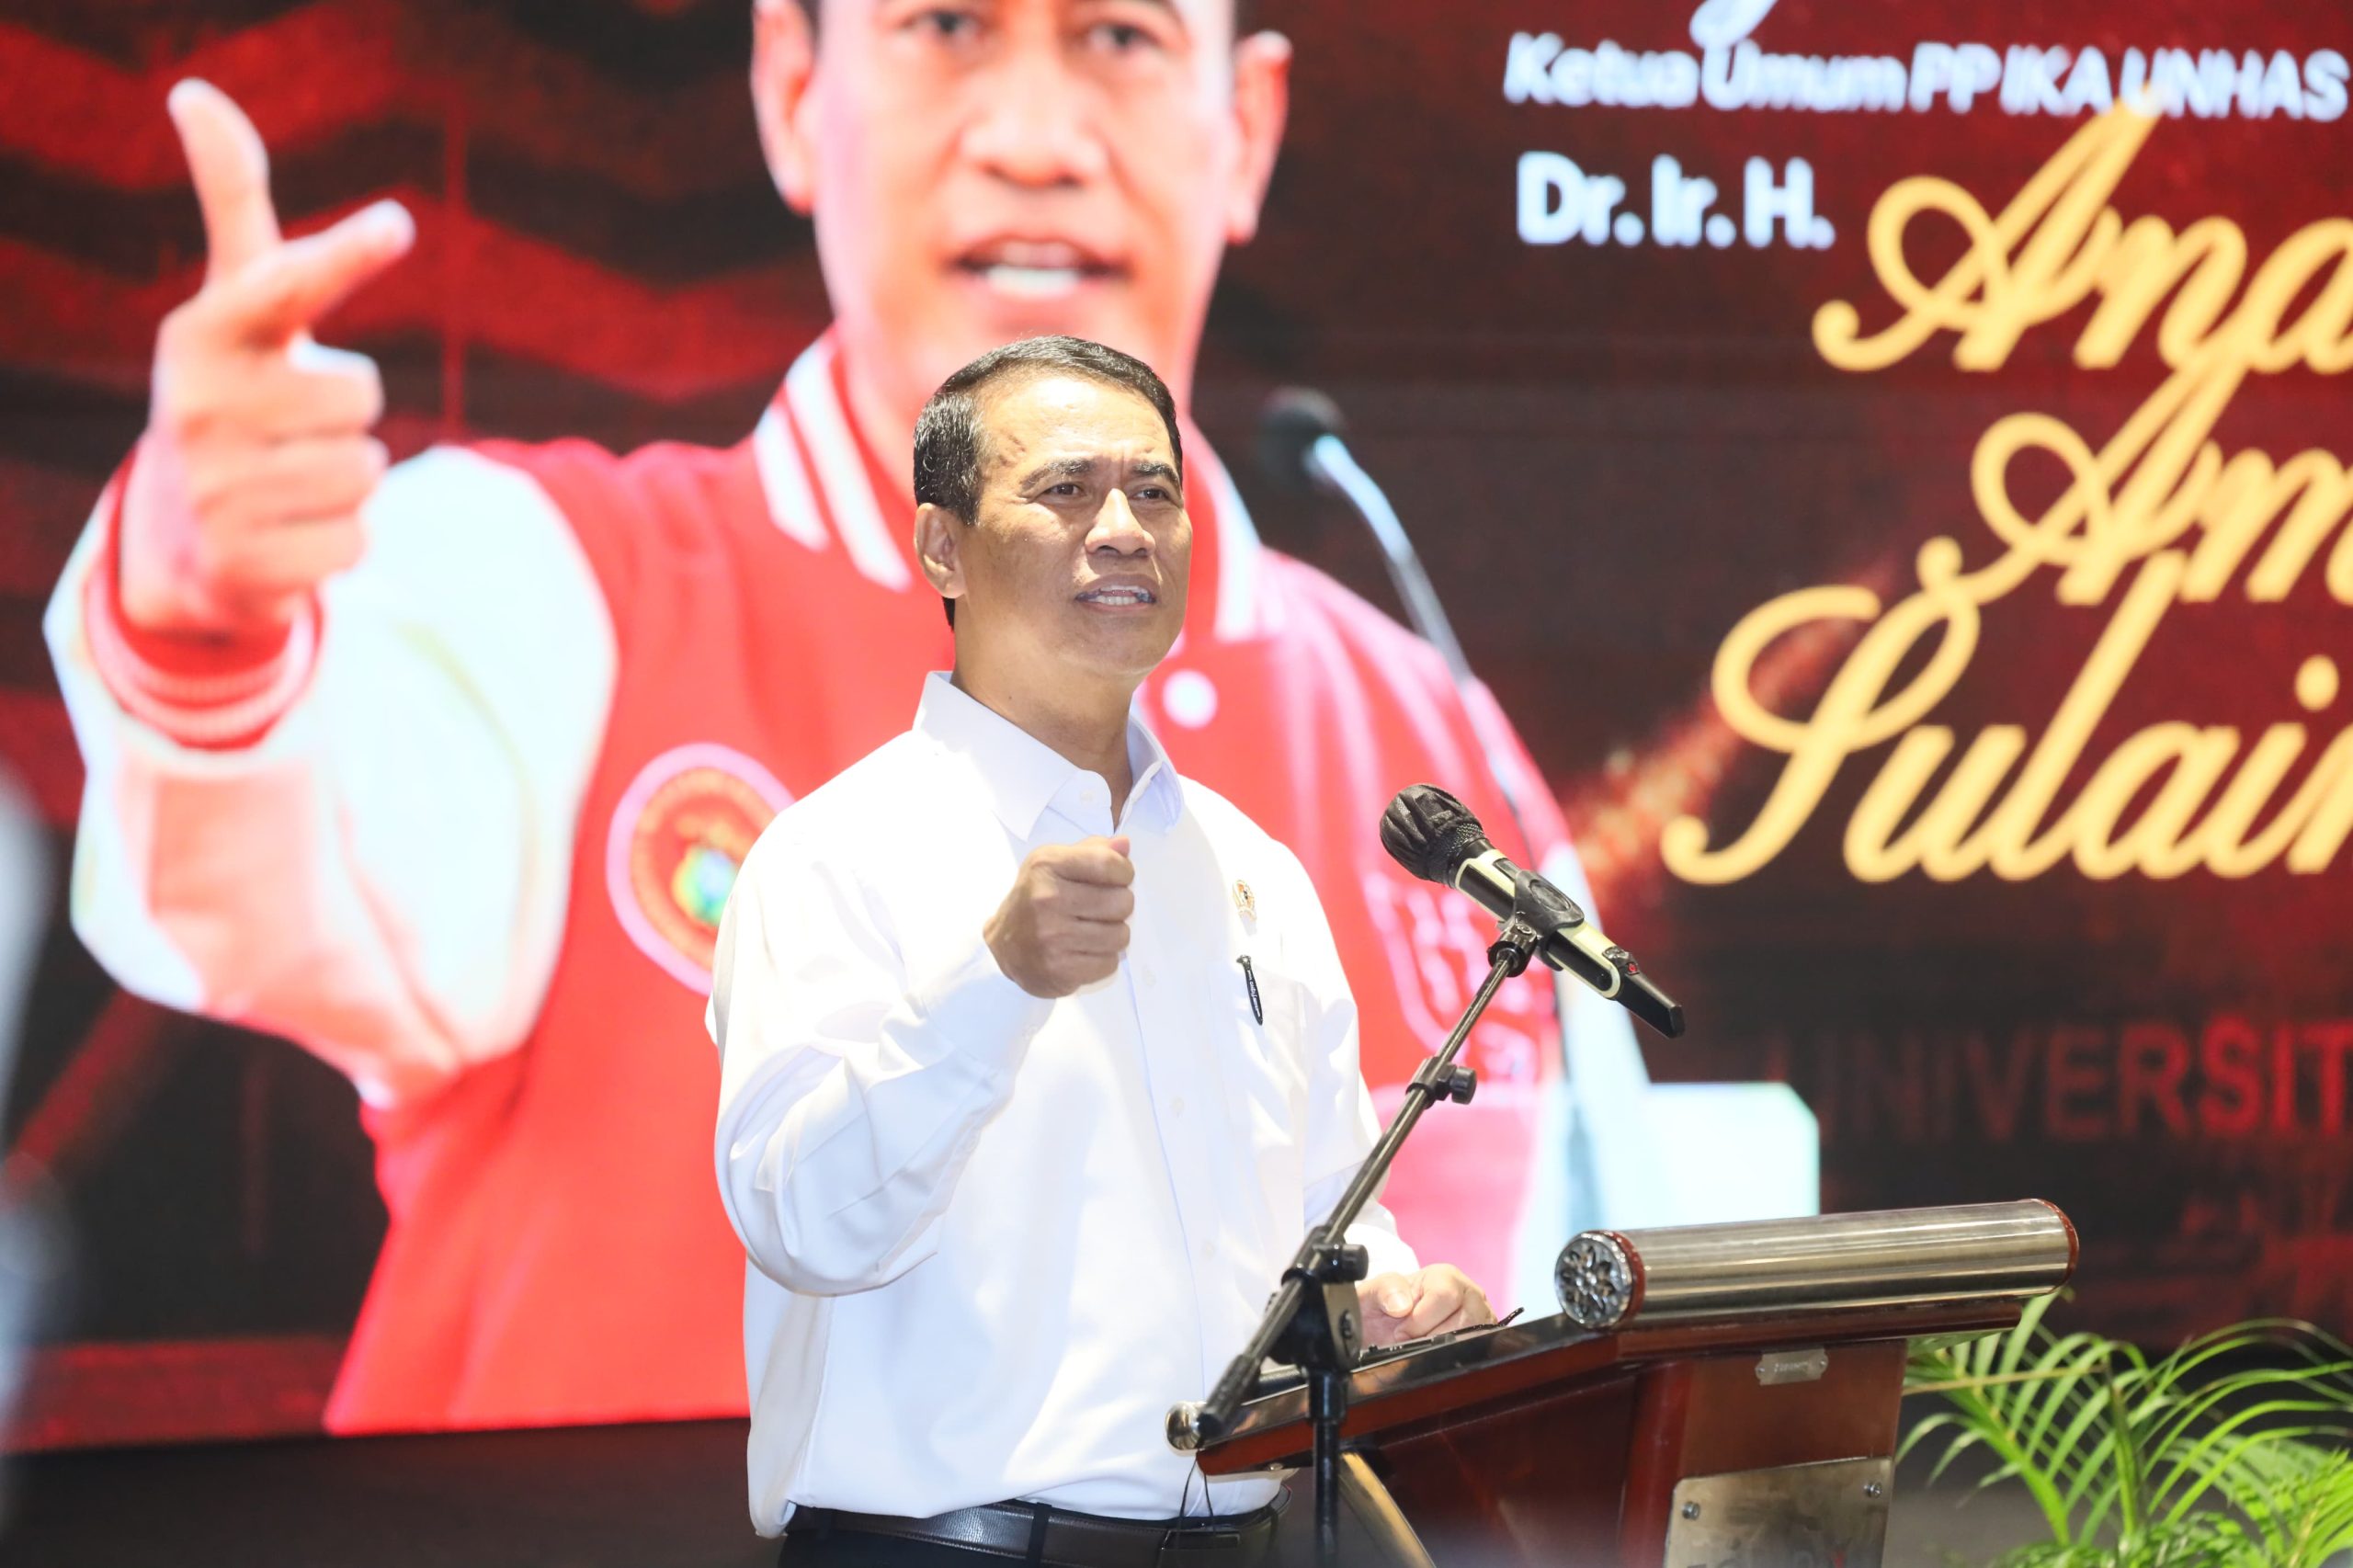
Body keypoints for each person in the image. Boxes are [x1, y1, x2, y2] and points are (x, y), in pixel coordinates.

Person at [42, 0, 1617, 1432]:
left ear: (1246, 126)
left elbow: (1542, 1305)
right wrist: (201, 621)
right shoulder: (558, 582)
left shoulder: (1430, 743)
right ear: (796, 91)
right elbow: (267, 879)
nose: (1034, 137)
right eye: (946, 27)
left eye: (1122, 40)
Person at [714, 332, 1491, 1556]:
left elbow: (1321, 1215)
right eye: (1067, 489)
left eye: (1155, 492)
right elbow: (804, 1220)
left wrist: (1386, 1302)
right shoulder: (836, 850)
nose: (1125, 529)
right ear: (942, 546)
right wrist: (996, 982)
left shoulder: (1251, 869)